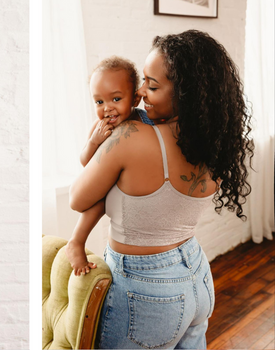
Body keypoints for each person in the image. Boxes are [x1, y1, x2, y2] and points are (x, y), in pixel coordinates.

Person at [69, 30, 253, 349]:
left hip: (147, 294)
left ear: (186, 93)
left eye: (152, 85)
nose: (141, 92)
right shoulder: (215, 142)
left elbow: (77, 198)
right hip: (196, 275)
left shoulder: (132, 137)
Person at [65, 56, 154, 276]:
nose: (107, 108)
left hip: (134, 187)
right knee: (99, 202)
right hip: (106, 184)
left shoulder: (145, 122)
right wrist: (94, 141)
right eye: (99, 102)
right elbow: (87, 162)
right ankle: (76, 241)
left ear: (134, 99)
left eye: (115, 99)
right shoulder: (101, 127)